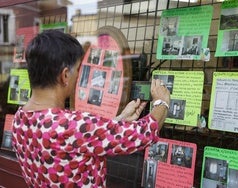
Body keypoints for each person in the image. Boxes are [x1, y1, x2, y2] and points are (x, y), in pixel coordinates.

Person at [12, 30, 170, 188]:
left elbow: (80, 142)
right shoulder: (71, 125)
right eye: (78, 69)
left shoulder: (19, 120)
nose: (79, 76)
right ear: (65, 75)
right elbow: (145, 133)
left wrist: (120, 120)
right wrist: (161, 102)